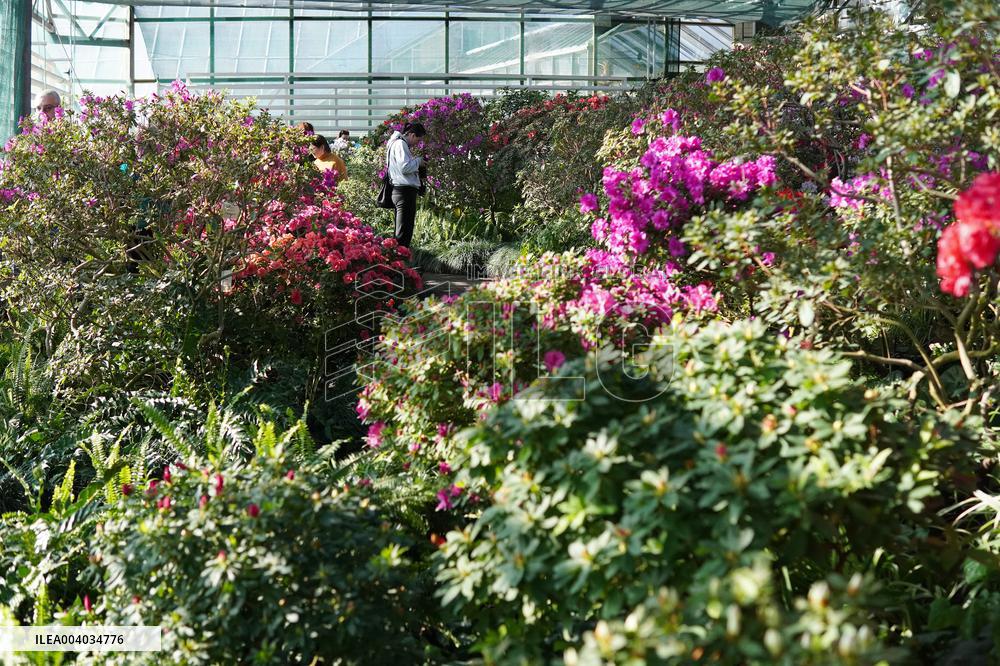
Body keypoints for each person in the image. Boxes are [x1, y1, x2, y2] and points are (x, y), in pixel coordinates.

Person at [387, 123, 426, 248]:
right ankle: (399, 258)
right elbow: (405, 167)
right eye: (418, 140)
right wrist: (418, 161)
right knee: (403, 233)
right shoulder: (400, 144)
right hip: (404, 192)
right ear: (412, 135)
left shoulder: (396, 143)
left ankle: (399, 257)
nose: (417, 144)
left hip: (402, 191)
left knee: (403, 230)